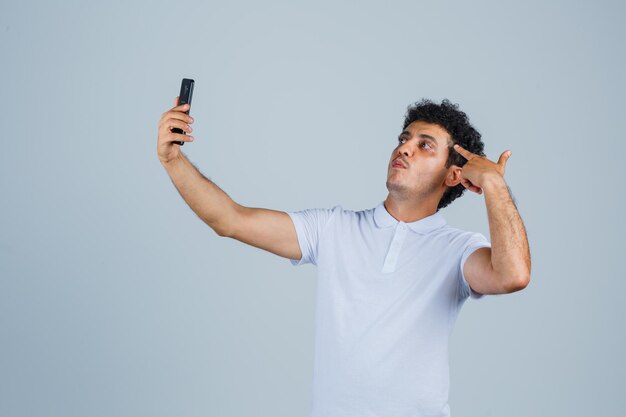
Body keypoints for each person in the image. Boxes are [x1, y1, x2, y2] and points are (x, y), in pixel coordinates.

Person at [157, 97, 531, 417]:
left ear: (454, 175)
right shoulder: (333, 229)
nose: (404, 148)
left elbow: (513, 275)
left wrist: (494, 183)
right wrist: (174, 160)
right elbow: (230, 220)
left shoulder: (458, 249)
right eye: (404, 139)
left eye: (425, 145)